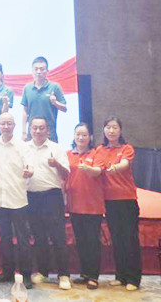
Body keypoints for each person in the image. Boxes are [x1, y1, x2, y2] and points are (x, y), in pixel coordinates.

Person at [0, 112, 33, 289]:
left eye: (9, 123)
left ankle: (26, 275)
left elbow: (30, 167)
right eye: (3, 123)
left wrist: (29, 172)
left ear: (14, 125)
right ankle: (7, 272)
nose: (6, 127)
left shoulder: (23, 146)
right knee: (4, 238)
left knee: (22, 239)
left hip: (17, 198)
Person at [24, 116, 71, 289]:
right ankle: (43, 272)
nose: (38, 131)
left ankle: (64, 275)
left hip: (52, 196)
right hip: (31, 197)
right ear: (30, 129)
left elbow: (66, 174)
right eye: (35, 128)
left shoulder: (56, 148)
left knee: (58, 236)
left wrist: (56, 164)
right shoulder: (24, 148)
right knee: (39, 237)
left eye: (41, 128)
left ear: (48, 130)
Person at [98, 117, 141, 291]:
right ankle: (121, 276)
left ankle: (133, 279)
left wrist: (115, 167)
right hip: (109, 202)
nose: (111, 130)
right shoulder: (100, 150)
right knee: (116, 239)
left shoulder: (126, 148)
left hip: (126, 200)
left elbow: (124, 164)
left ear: (120, 130)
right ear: (104, 130)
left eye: (115, 127)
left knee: (130, 239)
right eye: (108, 127)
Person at [65, 122, 105, 290]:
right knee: (80, 241)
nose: (81, 137)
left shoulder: (96, 153)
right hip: (74, 205)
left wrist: (88, 168)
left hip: (92, 206)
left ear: (90, 137)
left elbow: (98, 171)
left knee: (92, 241)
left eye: (84, 135)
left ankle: (93, 276)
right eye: (78, 134)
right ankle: (84, 274)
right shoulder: (68, 154)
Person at [20, 56, 67, 142]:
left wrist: (55, 102)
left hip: (50, 134)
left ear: (47, 71)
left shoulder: (54, 87)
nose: (38, 72)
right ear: (32, 71)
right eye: (36, 69)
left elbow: (64, 108)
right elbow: (25, 111)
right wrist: (23, 132)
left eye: (42, 69)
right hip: (32, 134)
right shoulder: (27, 88)